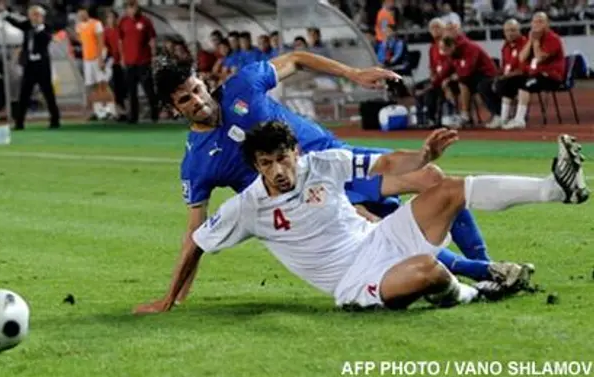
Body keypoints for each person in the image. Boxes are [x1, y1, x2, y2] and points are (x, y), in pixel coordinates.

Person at [150, 51, 530, 303]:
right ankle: (485, 275)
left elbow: (297, 59)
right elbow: (195, 231)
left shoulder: (244, 84)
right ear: (173, 107)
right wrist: (177, 295)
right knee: (376, 227)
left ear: (202, 80)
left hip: (340, 158)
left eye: (197, 89)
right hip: (307, 198)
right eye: (185, 99)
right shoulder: (197, 162)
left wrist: (353, 74)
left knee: (432, 176)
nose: (197, 101)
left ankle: (487, 268)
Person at [134, 123, 588, 314]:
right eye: (268, 162)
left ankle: (556, 188)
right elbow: (197, 240)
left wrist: (422, 154)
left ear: (296, 153)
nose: (279, 170)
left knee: (442, 186)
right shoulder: (247, 207)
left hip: (382, 238)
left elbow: (386, 164)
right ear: (257, 166)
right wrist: (168, 298)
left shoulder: (324, 162)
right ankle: (473, 291)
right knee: (429, 271)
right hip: (355, 279)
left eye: (284, 158)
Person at [502, 12, 566, 130]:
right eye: (534, 22)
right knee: (509, 83)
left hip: (551, 76)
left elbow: (539, 58)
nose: (537, 24)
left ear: (547, 24)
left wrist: (535, 42)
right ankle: (503, 119)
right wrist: (531, 41)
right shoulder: (531, 38)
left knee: (525, 84)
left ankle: (519, 120)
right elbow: (521, 58)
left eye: (540, 21)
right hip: (535, 74)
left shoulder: (553, 39)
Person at [5, 5, 60, 130]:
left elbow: (46, 39)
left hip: (42, 64)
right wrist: (6, 16)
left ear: (41, 16)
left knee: (48, 93)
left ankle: (55, 119)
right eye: (31, 15)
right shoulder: (27, 26)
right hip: (29, 64)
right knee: (24, 94)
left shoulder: (47, 28)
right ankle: (19, 122)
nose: (33, 18)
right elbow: (17, 24)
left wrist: (39, 29)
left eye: (35, 15)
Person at [439, 34, 498, 128]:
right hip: (472, 76)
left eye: (445, 49)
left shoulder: (470, 48)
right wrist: (443, 80)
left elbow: (468, 70)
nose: (444, 52)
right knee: (447, 85)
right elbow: (445, 71)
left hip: (486, 74)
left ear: (452, 46)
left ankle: (465, 115)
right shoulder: (452, 53)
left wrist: (453, 77)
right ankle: (456, 114)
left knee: (463, 82)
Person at [481, 19, 528, 129]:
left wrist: (503, 77)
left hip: (520, 76)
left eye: (513, 30)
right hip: (507, 76)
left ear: (519, 31)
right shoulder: (506, 46)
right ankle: (498, 114)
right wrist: (498, 76)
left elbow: (523, 68)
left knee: (502, 84)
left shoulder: (525, 44)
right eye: (507, 31)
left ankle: (509, 117)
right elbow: (503, 66)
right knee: (484, 85)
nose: (510, 33)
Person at [118, 0, 159, 123]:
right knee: (131, 91)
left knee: (148, 89)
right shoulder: (123, 22)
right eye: (129, 7)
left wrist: (153, 56)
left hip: (143, 61)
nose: (131, 9)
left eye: (133, 7)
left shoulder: (145, 21)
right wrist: (122, 58)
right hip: (130, 62)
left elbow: (152, 40)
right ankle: (133, 116)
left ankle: (154, 114)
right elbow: (120, 41)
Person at [76, 5, 116, 120]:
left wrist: (100, 59)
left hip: (97, 57)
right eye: (79, 14)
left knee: (103, 84)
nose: (81, 15)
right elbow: (82, 40)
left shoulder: (96, 24)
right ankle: (99, 112)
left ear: (87, 13)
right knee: (92, 86)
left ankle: (111, 110)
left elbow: (100, 41)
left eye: (82, 13)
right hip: (87, 59)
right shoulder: (79, 26)